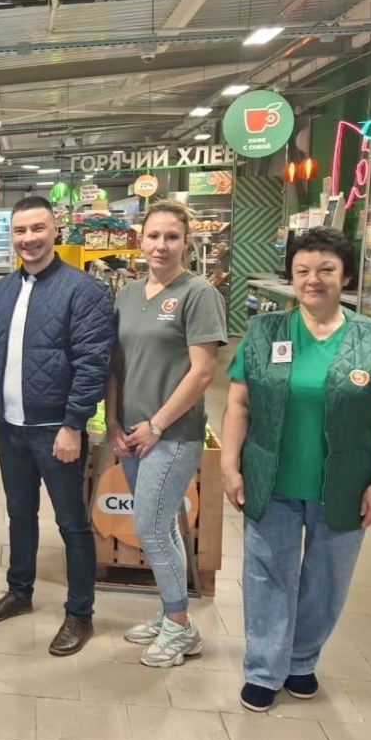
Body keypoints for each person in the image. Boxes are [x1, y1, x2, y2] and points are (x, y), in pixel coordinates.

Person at [221, 226, 371, 712]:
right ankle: (264, 669)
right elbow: (239, 403)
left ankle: (301, 661)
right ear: (291, 275)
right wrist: (229, 464)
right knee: (268, 575)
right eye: (302, 270)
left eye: (326, 269)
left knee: (327, 580)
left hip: (344, 485)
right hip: (271, 478)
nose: (313, 279)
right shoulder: (265, 332)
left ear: (345, 276)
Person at [0, 195, 114, 656]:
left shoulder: (83, 291)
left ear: (55, 231)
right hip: (9, 424)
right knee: (19, 513)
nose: (28, 238)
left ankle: (80, 613)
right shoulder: (1, 290)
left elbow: (93, 363)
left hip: (56, 429)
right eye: (20, 230)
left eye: (37, 228)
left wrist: (73, 424)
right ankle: (20, 592)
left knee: (71, 523)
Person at [105, 198, 227, 668]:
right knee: (162, 526)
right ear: (141, 240)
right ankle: (169, 610)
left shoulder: (199, 294)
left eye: (171, 237)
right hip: (131, 432)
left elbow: (202, 372)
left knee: (151, 527)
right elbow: (116, 365)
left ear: (186, 242)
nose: (161, 245)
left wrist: (157, 425)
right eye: (153, 236)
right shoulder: (129, 294)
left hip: (173, 435)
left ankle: (180, 626)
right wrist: (113, 421)